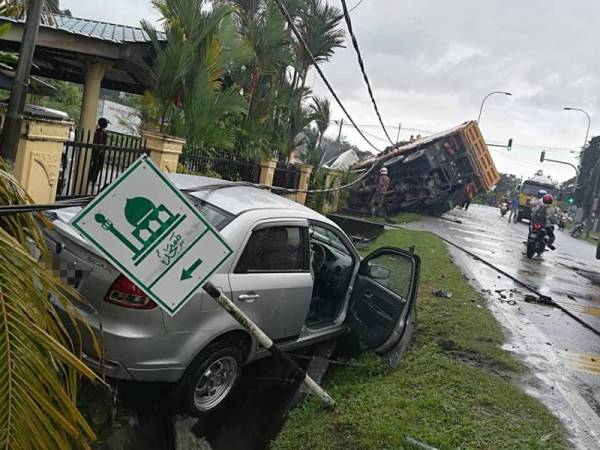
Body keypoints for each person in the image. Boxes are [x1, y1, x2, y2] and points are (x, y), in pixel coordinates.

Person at [88, 118, 109, 187]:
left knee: (98, 166)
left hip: (100, 152)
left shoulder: (103, 133)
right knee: (95, 166)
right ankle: (91, 180)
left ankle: (93, 180)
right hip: (96, 151)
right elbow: (97, 142)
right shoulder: (98, 132)